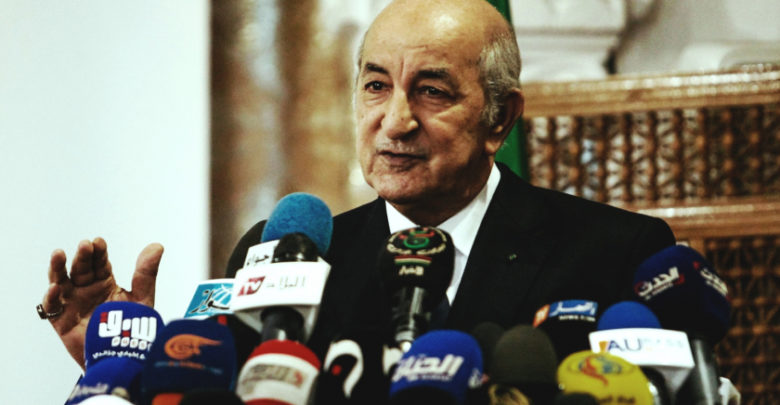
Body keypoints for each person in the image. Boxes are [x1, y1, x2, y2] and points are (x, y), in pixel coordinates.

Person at [39, 0, 675, 374]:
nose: (394, 121)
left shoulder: (617, 255)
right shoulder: (279, 260)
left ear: (499, 119)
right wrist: (129, 367)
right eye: (375, 86)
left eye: (431, 90)